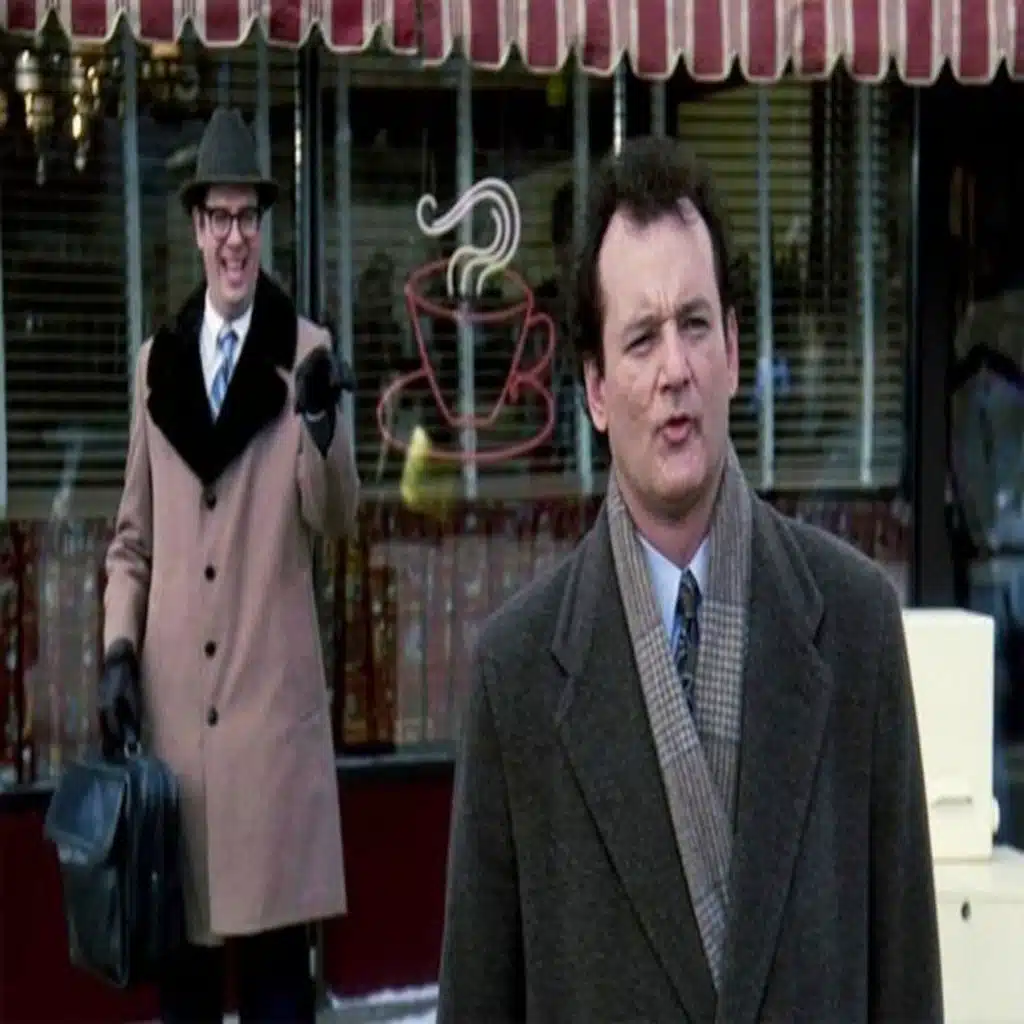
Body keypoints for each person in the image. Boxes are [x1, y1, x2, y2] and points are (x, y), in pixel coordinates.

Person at [437, 137, 942, 1022]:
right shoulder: (517, 675)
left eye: (696, 325)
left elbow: (905, 987)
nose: (675, 368)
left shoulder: (856, 624)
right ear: (596, 389)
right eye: (641, 338)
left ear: (734, 351)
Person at [99, 107, 359, 1024]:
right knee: (187, 1003)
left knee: (282, 998)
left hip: (271, 744)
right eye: (220, 217)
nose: (235, 238)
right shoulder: (155, 365)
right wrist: (117, 652)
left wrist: (322, 428)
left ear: (262, 226)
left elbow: (336, 519)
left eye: (249, 217)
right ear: (197, 228)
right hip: (179, 752)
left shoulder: (306, 352)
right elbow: (132, 541)